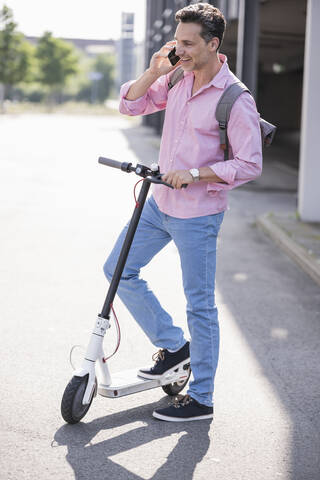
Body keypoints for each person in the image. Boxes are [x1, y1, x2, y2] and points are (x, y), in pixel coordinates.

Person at [104, 2, 262, 422]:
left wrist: (194, 173)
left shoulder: (235, 98)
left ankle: (203, 400)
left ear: (214, 44)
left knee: (200, 306)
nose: (182, 50)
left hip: (199, 214)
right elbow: (131, 105)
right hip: (158, 205)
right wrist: (155, 71)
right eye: (179, 42)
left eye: (190, 44)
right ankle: (175, 347)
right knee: (117, 271)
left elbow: (250, 164)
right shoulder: (176, 76)